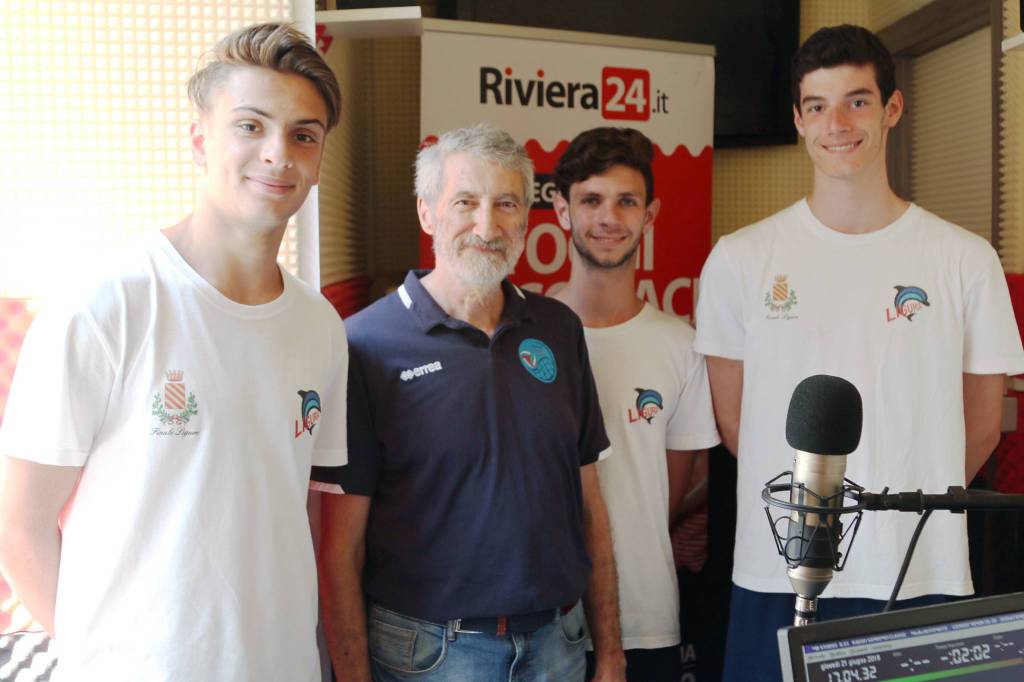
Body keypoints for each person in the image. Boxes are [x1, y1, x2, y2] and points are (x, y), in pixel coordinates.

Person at [0, 23, 347, 681]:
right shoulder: (105, 306)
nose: (278, 154)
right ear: (199, 139)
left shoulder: (320, 326)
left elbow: (294, 506)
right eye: (250, 126)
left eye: (303, 135)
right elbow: (19, 530)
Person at [695, 24, 1024, 682]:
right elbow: (738, 424)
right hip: (776, 570)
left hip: (918, 568)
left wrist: (893, 506)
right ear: (797, 119)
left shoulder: (963, 258)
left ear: (892, 109)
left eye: (857, 101)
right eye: (816, 106)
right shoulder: (741, 258)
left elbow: (983, 424)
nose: (836, 123)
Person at [317, 123, 626, 682]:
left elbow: (589, 506)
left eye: (506, 203)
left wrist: (610, 654)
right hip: (429, 656)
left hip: (560, 644)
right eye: (466, 202)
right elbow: (339, 550)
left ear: (525, 220)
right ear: (427, 212)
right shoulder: (363, 345)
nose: (487, 226)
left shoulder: (557, 329)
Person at [550, 127, 720, 681]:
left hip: (647, 620)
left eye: (627, 201)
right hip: (542, 625)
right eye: (591, 200)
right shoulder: (520, 333)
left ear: (650, 215)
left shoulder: (681, 346)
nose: (609, 218)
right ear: (560, 209)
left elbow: (669, 495)